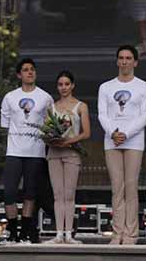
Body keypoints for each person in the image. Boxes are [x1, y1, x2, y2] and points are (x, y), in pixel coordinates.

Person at [97, 45, 146, 245]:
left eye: (128, 58)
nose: (124, 61)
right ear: (116, 61)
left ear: (135, 62)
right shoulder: (106, 87)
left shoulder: (144, 87)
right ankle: (117, 233)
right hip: (111, 142)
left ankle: (131, 234)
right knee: (116, 188)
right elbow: (102, 114)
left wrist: (126, 133)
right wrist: (113, 132)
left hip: (134, 142)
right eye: (121, 57)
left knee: (131, 187)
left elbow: (145, 116)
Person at [1, 58, 55, 243]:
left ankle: (25, 230)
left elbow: (51, 125)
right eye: (25, 70)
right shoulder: (10, 97)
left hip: (36, 152)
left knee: (30, 193)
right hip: (14, 151)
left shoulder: (46, 98)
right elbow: (5, 125)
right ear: (19, 74)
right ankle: (12, 230)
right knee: (9, 192)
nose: (30, 72)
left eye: (32, 69)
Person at [43, 71, 91, 244]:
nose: (63, 87)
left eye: (66, 84)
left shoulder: (81, 106)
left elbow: (86, 133)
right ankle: (58, 233)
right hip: (54, 153)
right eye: (60, 84)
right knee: (57, 195)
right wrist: (52, 138)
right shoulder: (52, 107)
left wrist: (69, 141)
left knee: (69, 195)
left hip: (71, 152)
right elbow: (46, 131)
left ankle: (69, 234)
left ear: (72, 85)